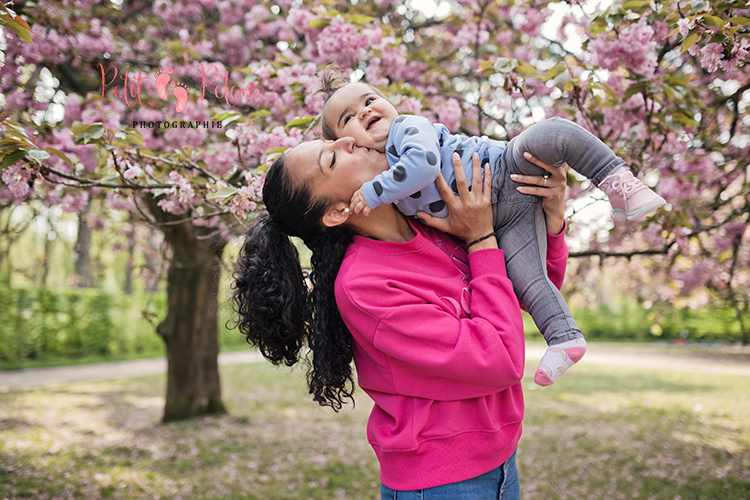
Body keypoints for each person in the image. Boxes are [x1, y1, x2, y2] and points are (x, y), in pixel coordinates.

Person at [232, 136, 570, 498]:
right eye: (331, 158)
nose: (349, 138)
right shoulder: (365, 286)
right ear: (336, 213)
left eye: (334, 140)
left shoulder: (433, 221)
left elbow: (528, 290)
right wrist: (481, 238)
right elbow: (500, 358)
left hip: (500, 459)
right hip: (443, 481)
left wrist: (552, 217)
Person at [317, 70, 666, 386]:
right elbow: (518, 287)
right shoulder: (389, 206)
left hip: (507, 167)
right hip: (501, 220)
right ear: (347, 143)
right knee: (529, 279)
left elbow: (422, 166)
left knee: (555, 132)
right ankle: (564, 337)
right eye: (348, 117)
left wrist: (554, 212)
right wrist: (481, 234)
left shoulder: (406, 131)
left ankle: (617, 180)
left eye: (370, 100)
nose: (364, 111)